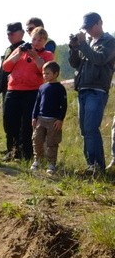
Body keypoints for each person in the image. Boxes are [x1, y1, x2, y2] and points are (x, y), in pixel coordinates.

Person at [68, 12, 115, 174]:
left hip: (97, 90)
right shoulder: (86, 43)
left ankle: (97, 166)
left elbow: (100, 59)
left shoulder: (110, 41)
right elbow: (75, 63)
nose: (87, 31)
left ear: (99, 23)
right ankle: (91, 165)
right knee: (84, 130)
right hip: (83, 88)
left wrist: (82, 45)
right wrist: (74, 48)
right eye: (85, 28)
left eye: (89, 27)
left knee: (91, 128)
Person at [1, 26, 54, 162]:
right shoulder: (20, 50)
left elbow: (44, 70)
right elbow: (6, 67)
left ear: (44, 42)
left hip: (32, 91)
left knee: (27, 125)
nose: (36, 43)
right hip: (13, 90)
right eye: (34, 39)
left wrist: (35, 56)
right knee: (10, 122)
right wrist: (19, 53)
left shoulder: (47, 54)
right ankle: (12, 151)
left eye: (40, 40)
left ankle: (26, 154)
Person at [30, 61, 66, 175]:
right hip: (41, 119)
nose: (45, 76)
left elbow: (64, 105)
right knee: (37, 140)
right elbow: (37, 103)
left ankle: (51, 163)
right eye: (44, 73)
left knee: (52, 142)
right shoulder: (42, 87)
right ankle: (37, 160)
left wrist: (60, 119)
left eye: (48, 73)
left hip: (53, 121)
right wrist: (34, 117)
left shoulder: (60, 88)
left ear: (56, 74)